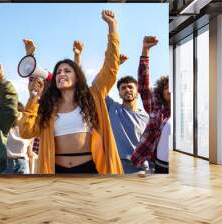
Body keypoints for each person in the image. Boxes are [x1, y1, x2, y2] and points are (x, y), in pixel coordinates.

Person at [19, 10, 123, 174]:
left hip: (90, 169)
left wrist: (112, 27)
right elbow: (26, 131)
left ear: (77, 76)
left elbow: (111, 67)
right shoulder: (48, 106)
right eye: (58, 72)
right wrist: (33, 98)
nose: (61, 74)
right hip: (55, 170)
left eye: (67, 71)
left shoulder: (93, 95)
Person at [73, 40, 150, 175]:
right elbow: (97, 85)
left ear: (137, 91)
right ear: (119, 93)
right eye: (123, 88)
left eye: (130, 87)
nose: (127, 90)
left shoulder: (146, 116)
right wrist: (115, 65)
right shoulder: (112, 108)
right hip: (116, 165)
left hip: (141, 167)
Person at [129, 36, 171, 174]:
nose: (170, 90)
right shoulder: (157, 107)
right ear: (162, 90)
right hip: (157, 164)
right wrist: (145, 50)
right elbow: (143, 83)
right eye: (167, 87)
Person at [5, 102, 34, 174]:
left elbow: (30, 155)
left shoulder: (28, 131)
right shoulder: (6, 129)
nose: (17, 115)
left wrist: (32, 172)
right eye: (15, 112)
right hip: (6, 164)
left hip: (22, 164)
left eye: (20, 112)